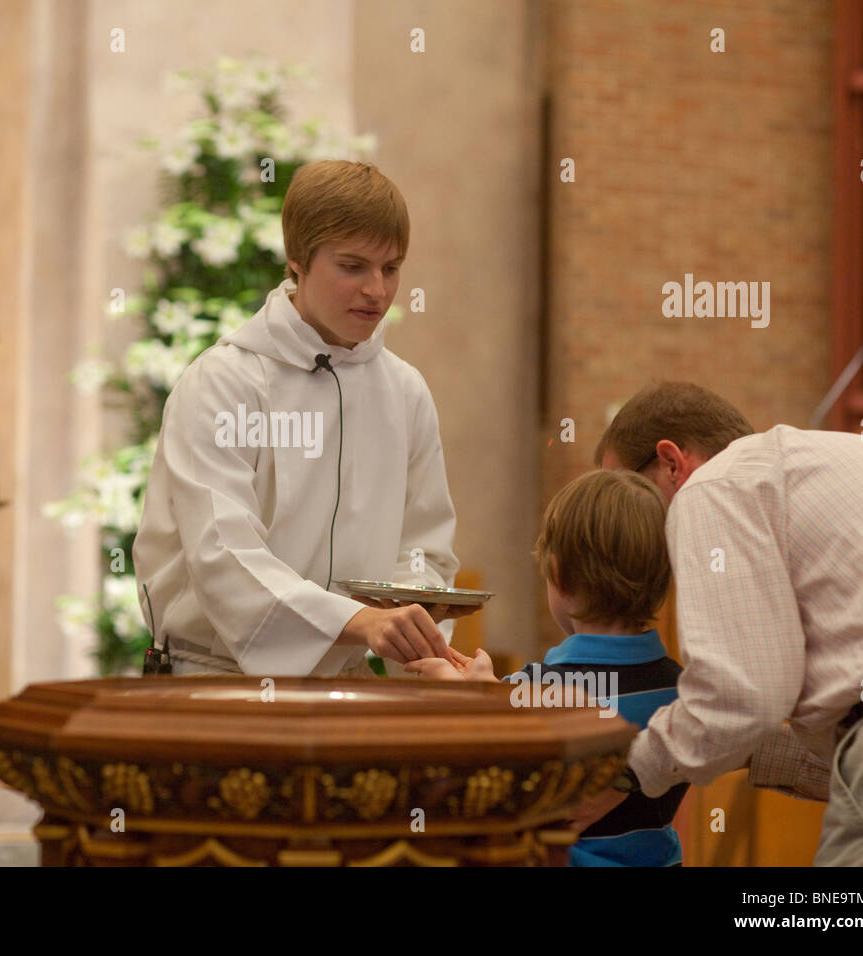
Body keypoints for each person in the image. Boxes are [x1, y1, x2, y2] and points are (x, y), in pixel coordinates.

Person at [133, 160, 471, 676]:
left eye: (391, 268)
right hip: (213, 679)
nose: (376, 290)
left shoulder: (404, 391)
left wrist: (416, 635)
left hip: (348, 681)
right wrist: (355, 621)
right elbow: (223, 551)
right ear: (297, 261)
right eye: (353, 267)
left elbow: (423, 547)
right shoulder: (223, 383)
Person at [594, 380, 863, 865]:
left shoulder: (713, 485)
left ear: (670, 463)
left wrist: (626, 776)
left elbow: (741, 699)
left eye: (630, 493)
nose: (634, 527)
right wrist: (744, 748)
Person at [408, 469, 688, 865]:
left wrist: (463, 692)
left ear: (558, 577)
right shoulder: (683, 691)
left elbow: (488, 769)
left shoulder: (535, 689)